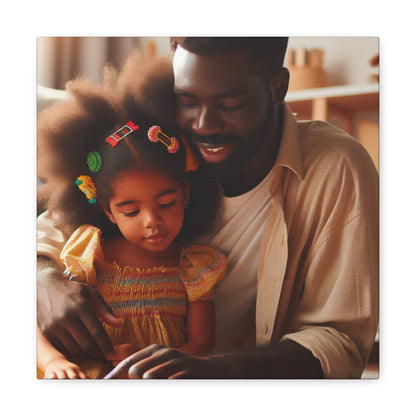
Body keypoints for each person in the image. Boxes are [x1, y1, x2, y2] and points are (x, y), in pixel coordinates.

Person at [37, 37, 379, 379]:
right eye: (188, 100)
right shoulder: (156, 138)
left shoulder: (336, 168)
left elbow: (341, 341)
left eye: (230, 104)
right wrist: (42, 282)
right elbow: (47, 236)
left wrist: (212, 371)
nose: (203, 125)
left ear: (278, 87)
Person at [36, 54, 226, 378]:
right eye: (131, 211)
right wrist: (53, 360)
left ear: (186, 194)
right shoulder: (88, 253)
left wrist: (149, 359)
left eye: (166, 203)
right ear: (108, 211)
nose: (151, 220)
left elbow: (201, 345)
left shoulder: (195, 268)